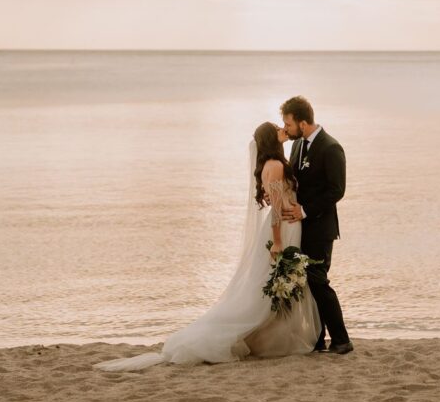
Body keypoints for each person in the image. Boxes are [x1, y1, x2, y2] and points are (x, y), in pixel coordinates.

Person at [92, 122, 319, 371]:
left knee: (266, 287)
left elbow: (275, 199)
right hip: (282, 229)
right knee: (263, 290)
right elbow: (276, 210)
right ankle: (247, 336)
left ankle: (267, 336)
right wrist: (277, 242)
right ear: (270, 138)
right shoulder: (274, 166)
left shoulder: (272, 164)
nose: (281, 129)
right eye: (277, 128)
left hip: (288, 226)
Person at [279, 95, 352, 355]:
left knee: (319, 281)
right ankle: (319, 339)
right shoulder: (298, 146)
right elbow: (295, 180)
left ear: (302, 122)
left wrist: (306, 210)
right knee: (308, 282)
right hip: (302, 227)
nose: (285, 128)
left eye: (288, 123)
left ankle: (342, 340)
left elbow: (337, 190)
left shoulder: (331, 147)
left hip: (321, 227)